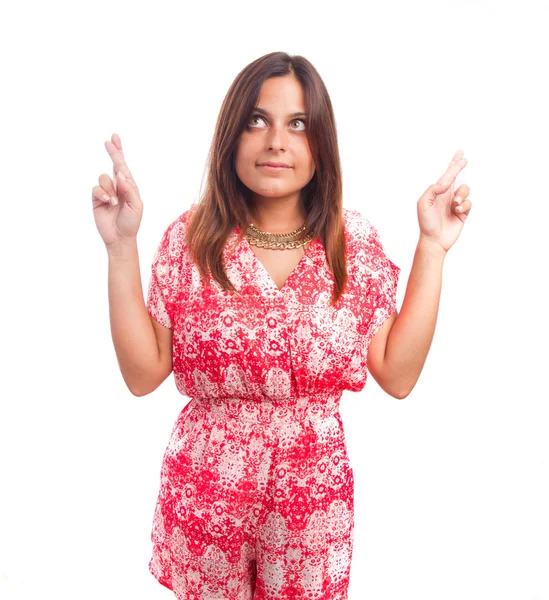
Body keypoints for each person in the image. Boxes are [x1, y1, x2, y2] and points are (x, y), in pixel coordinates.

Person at [92, 51, 472, 600]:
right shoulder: (191, 239)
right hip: (206, 502)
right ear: (232, 136)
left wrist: (432, 248)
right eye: (257, 120)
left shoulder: (353, 245)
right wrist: (121, 245)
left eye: (298, 124)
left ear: (320, 142)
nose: (276, 141)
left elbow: (398, 374)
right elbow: (142, 373)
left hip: (310, 511)